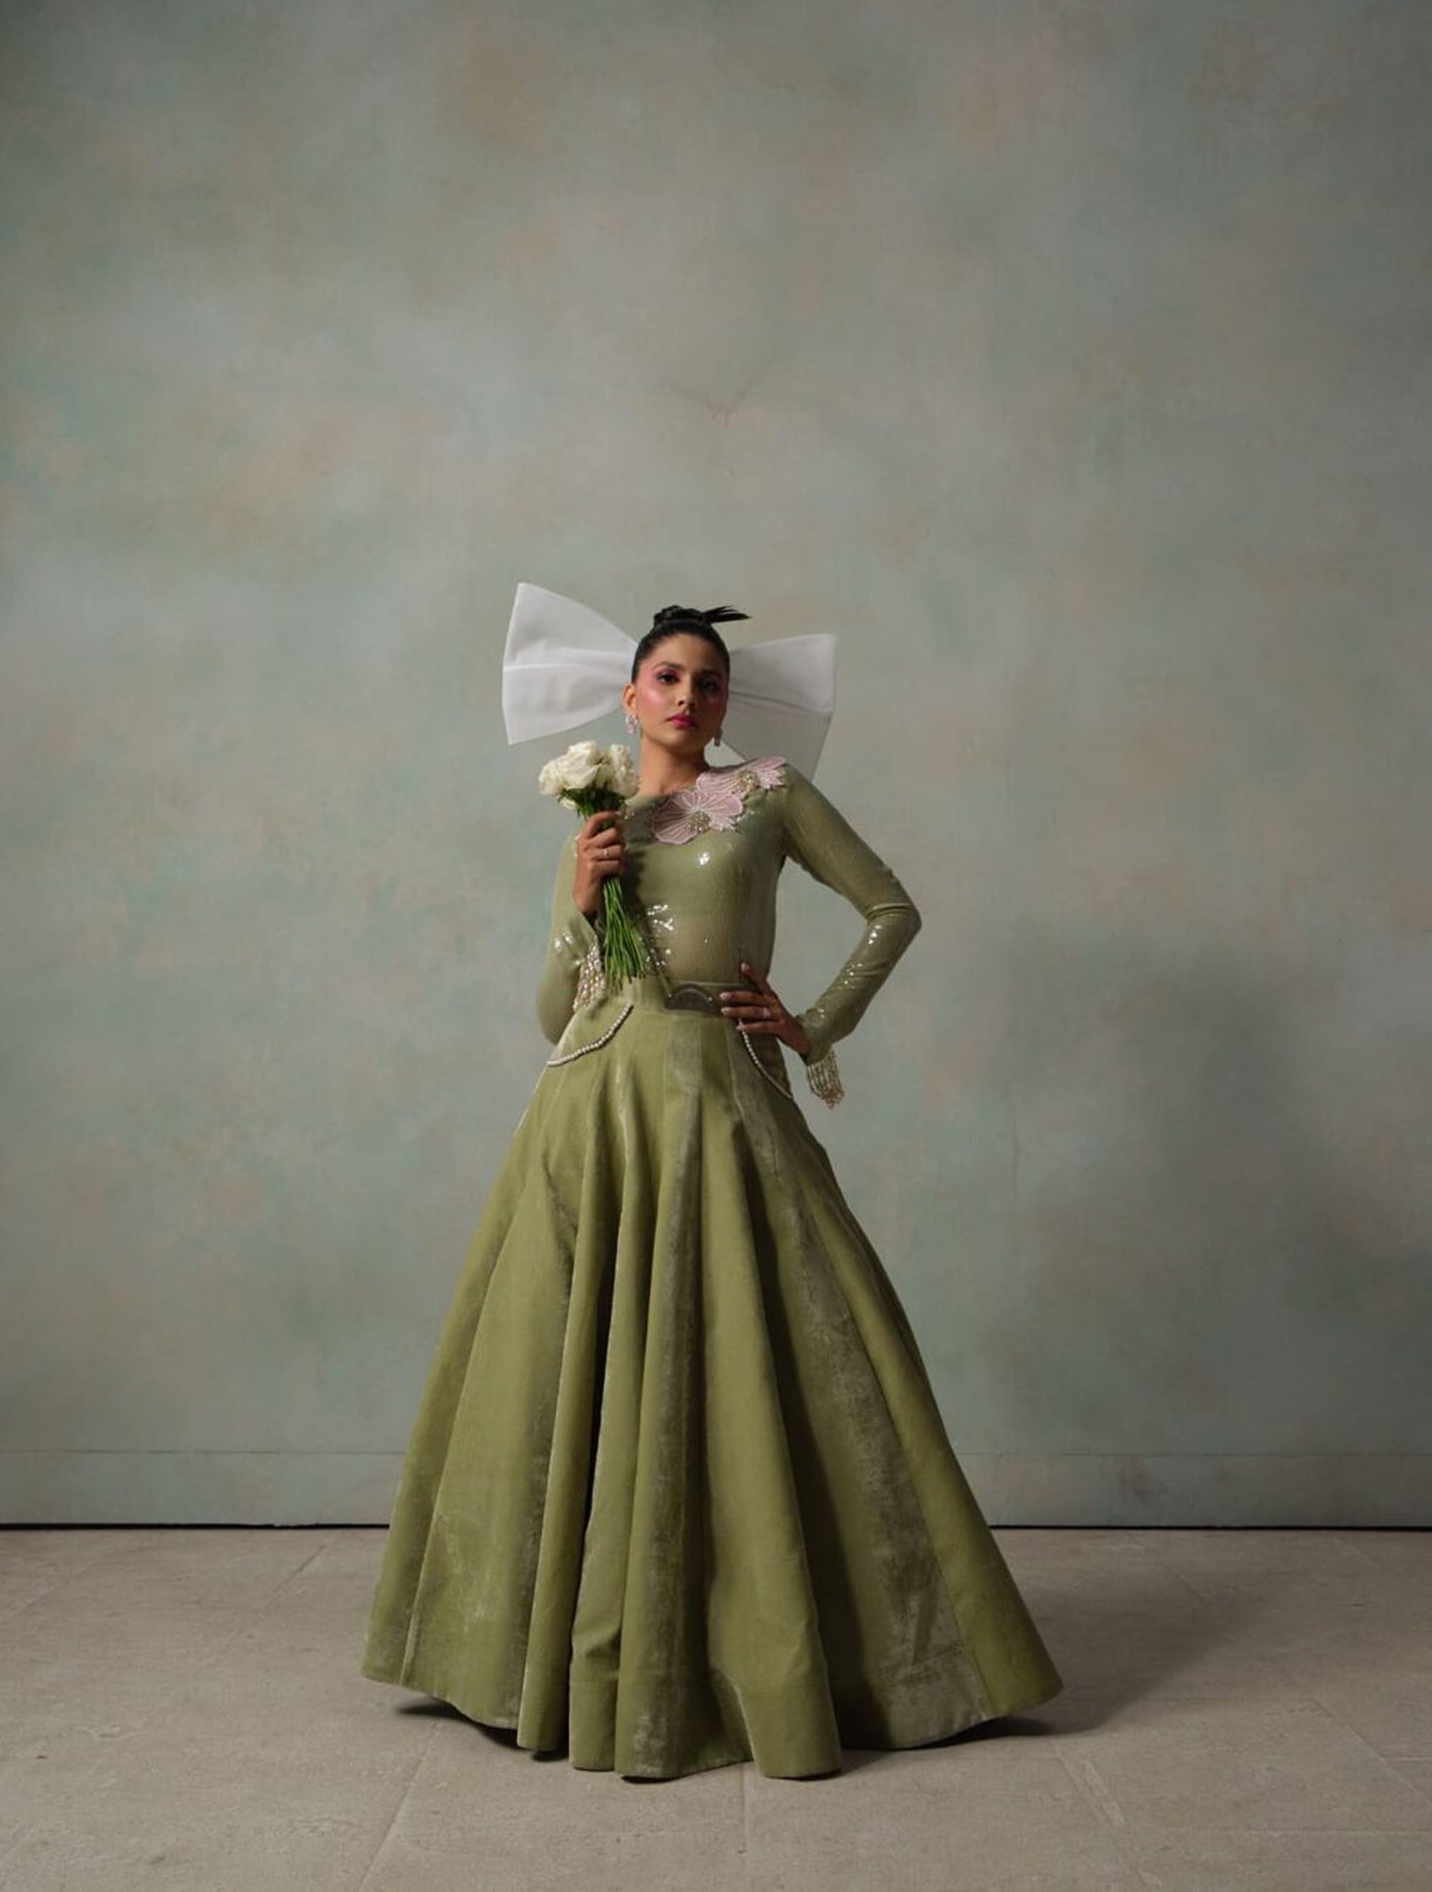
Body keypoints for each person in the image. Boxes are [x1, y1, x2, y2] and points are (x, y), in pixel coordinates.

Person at [360, 602, 1063, 1781]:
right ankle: (543, 1656)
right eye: (668, 678)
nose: (689, 698)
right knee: (559, 1363)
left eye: (709, 683)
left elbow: (891, 909)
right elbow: (555, 1010)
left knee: (771, 1347)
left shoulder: (767, 794)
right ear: (628, 698)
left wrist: (811, 1021)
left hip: (716, 1096)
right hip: (592, 1113)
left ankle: (816, 1652)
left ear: (728, 703)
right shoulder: (598, 824)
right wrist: (578, 903)